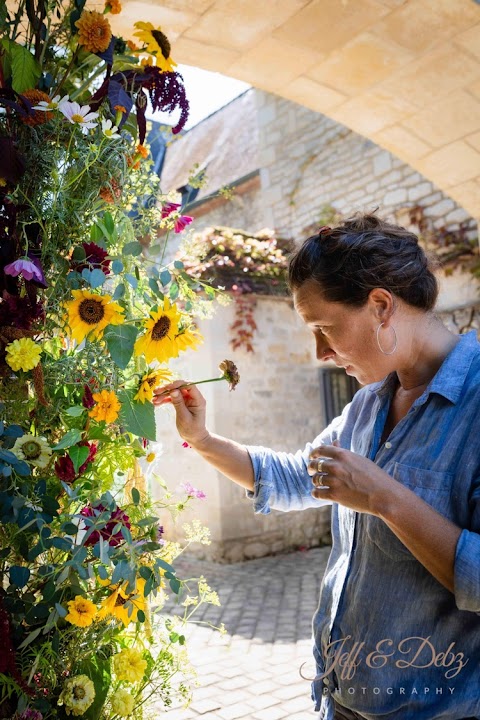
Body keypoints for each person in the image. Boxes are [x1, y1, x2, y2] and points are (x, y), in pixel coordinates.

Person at [153, 213, 480, 720]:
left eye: (325, 328)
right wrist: (202, 438)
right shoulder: (369, 403)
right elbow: (290, 478)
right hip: (340, 701)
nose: (321, 352)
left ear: (380, 306)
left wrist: (383, 498)